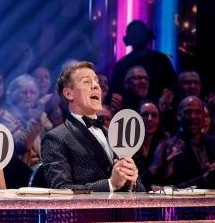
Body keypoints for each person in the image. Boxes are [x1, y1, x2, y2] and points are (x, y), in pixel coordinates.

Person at [41, 61, 144, 192]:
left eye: (96, 81)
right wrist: (110, 184)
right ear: (69, 94)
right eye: (86, 82)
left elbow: (141, 189)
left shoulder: (113, 135)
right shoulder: (55, 138)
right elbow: (61, 189)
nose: (96, 85)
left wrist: (131, 184)